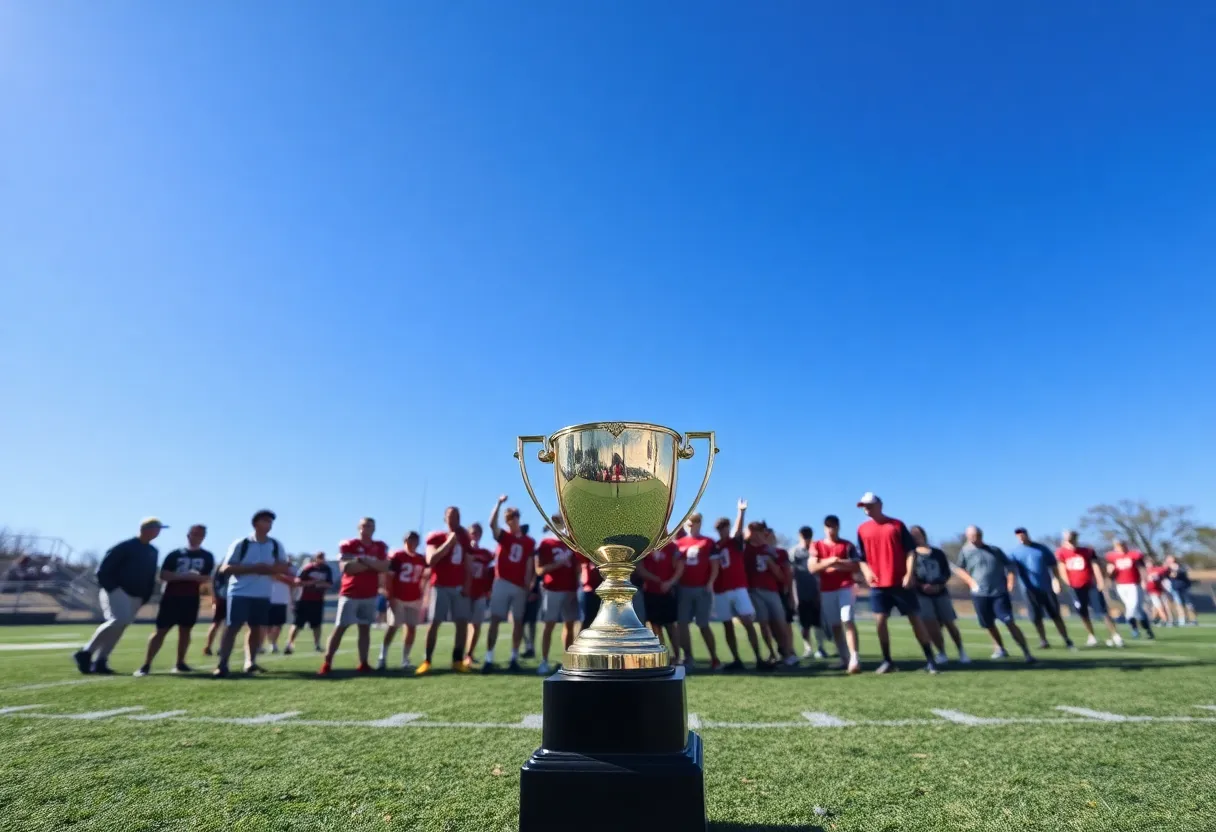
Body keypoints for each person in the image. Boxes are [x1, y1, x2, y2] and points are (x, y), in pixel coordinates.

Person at [855, 493, 939, 674]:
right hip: (878, 585)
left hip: (900, 583)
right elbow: (861, 558)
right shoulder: (862, 529)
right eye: (863, 506)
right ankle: (887, 661)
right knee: (879, 622)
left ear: (880, 505)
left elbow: (911, 552)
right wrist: (867, 572)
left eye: (869, 505)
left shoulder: (897, 525)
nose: (866, 509)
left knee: (915, 620)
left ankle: (930, 661)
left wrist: (909, 573)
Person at [74, 518, 166, 675]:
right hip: (118, 590)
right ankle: (86, 652)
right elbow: (103, 570)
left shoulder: (153, 551)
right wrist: (112, 588)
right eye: (156, 529)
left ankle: (101, 660)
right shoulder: (125, 546)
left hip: (138, 594)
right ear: (146, 529)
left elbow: (150, 575)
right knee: (119, 620)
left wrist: (146, 595)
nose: (158, 532)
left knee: (121, 626)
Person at [214, 510, 290, 677]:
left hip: (263, 594)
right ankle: (222, 664)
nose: (268, 525)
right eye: (265, 521)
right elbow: (225, 568)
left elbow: (284, 567)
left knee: (257, 629)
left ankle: (250, 662)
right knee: (232, 627)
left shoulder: (276, 545)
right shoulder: (242, 543)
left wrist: (268, 569)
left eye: (270, 522)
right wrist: (254, 568)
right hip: (239, 592)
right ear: (255, 523)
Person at [135, 524, 214, 676]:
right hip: (171, 597)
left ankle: (180, 662)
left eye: (200, 535)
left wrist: (187, 577)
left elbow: (206, 577)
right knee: (161, 631)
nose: (197, 537)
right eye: (194, 534)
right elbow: (164, 575)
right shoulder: (175, 554)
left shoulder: (207, 556)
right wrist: (186, 576)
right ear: (188, 535)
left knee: (185, 631)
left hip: (191, 598)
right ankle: (146, 664)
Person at [319, 518, 390, 675]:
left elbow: (385, 566)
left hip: (369, 593)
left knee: (365, 629)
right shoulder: (349, 544)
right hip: (350, 592)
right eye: (364, 525)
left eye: (370, 526)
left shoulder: (379, 546)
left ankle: (363, 662)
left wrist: (362, 561)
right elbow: (348, 568)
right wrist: (372, 564)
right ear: (359, 528)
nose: (367, 528)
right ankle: (327, 662)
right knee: (340, 628)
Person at [955, 526, 1035, 663]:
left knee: (1009, 620)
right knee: (988, 624)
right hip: (980, 594)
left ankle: (1026, 652)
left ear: (981, 535)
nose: (974, 538)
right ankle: (1000, 648)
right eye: (971, 536)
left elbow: (1010, 566)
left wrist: (1010, 582)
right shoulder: (965, 552)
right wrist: (970, 581)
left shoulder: (994, 550)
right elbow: (959, 569)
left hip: (999, 592)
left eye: (977, 535)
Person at [417, 507, 474, 675]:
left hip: (458, 586)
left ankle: (457, 660)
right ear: (444, 518)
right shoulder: (436, 537)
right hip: (440, 585)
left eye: (456, 516)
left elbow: (468, 564)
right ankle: (427, 660)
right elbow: (431, 560)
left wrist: (467, 585)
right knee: (435, 623)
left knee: (462, 623)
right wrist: (448, 543)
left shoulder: (465, 538)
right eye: (450, 516)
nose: (453, 519)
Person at [482, 497, 536, 673]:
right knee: (495, 620)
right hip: (502, 581)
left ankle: (514, 657)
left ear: (518, 518)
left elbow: (529, 565)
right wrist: (498, 504)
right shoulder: (504, 537)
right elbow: (492, 524)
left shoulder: (528, 541)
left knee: (518, 622)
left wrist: (529, 587)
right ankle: (489, 657)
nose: (512, 520)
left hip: (519, 585)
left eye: (514, 517)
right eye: (509, 518)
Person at [810, 515, 866, 672]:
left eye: (833, 526)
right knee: (835, 625)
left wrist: (836, 564)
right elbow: (813, 568)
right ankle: (844, 658)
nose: (831, 530)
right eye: (828, 527)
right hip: (827, 589)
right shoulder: (817, 545)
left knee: (847, 619)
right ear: (824, 528)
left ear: (838, 527)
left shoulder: (847, 545)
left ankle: (855, 657)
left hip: (845, 586)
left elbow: (856, 565)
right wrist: (831, 561)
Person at [908, 524, 968, 665]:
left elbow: (946, 572)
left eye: (918, 534)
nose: (916, 537)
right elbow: (910, 574)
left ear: (924, 535)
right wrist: (921, 585)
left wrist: (939, 585)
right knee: (931, 624)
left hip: (941, 593)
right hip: (922, 594)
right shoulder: (911, 554)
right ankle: (941, 653)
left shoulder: (937, 553)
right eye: (913, 535)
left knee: (949, 622)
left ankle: (961, 651)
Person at [1007, 528, 1074, 649]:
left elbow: (1053, 565)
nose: (1021, 537)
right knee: (1036, 617)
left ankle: (1066, 639)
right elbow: (1011, 570)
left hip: (1046, 587)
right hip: (1029, 589)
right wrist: (1010, 584)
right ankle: (1043, 640)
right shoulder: (1014, 553)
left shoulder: (1041, 549)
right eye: (1018, 535)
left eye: (1023, 534)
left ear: (1027, 534)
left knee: (1055, 614)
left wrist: (1056, 580)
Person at [1056, 530, 1124, 647]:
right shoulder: (1062, 553)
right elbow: (1062, 570)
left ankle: (1115, 635)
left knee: (1103, 611)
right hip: (1075, 587)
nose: (1070, 542)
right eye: (1068, 539)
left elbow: (1095, 566)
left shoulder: (1087, 551)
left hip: (1090, 585)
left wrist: (1100, 581)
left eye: (1072, 539)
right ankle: (1092, 636)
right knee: (1083, 613)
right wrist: (1068, 584)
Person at [744, 523, 799, 668]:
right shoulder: (747, 549)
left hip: (774, 590)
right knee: (764, 623)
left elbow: (784, 576)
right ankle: (773, 653)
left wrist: (771, 564)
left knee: (780, 623)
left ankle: (788, 652)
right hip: (755, 590)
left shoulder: (775, 552)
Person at [674, 515, 722, 671]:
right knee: (682, 624)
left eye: (693, 522)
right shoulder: (679, 543)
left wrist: (710, 583)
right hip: (684, 588)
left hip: (702, 588)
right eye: (688, 522)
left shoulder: (708, 542)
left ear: (700, 523)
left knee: (703, 624)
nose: (690, 525)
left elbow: (715, 565)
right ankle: (688, 656)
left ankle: (714, 657)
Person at [536, 516, 579, 676]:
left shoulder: (571, 543)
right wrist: (557, 564)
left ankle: (567, 660)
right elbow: (539, 570)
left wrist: (577, 586)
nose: (561, 527)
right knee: (549, 625)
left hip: (569, 589)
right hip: (552, 589)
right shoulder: (546, 543)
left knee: (569, 626)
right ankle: (544, 661)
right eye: (558, 523)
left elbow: (576, 568)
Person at [379, 532, 427, 671]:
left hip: (414, 597)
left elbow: (424, 576)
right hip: (398, 597)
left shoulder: (421, 558)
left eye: (416, 540)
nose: (413, 543)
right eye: (411, 540)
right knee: (393, 627)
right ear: (405, 540)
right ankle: (382, 657)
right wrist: (390, 596)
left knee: (411, 628)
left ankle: (405, 659)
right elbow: (389, 577)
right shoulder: (397, 556)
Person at [636, 537, 681, 664]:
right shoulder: (646, 546)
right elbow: (640, 569)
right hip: (651, 591)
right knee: (655, 625)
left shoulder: (671, 546)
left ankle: (678, 657)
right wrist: (657, 580)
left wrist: (669, 583)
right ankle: (664, 656)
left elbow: (679, 566)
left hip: (668, 591)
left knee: (671, 625)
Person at [790, 526, 829, 659]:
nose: (806, 539)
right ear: (799, 535)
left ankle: (820, 647)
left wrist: (821, 590)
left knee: (818, 623)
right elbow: (791, 575)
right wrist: (793, 595)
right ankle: (808, 648)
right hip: (801, 593)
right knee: (803, 624)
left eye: (809, 536)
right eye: (804, 536)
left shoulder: (816, 550)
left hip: (816, 592)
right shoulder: (794, 552)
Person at [1104, 540, 1155, 640]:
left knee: (1132, 607)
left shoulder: (1133, 555)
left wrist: (1144, 580)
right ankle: (1146, 630)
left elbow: (1142, 568)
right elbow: (1110, 574)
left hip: (1134, 584)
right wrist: (1110, 573)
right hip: (1121, 585)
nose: (1120, 548)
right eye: (1117, 546)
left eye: (1121, 545)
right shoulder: (1112, 557)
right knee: (1137, 610)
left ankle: (1134, 628)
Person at [285, 552, 333, 654]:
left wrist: (320, 584)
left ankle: (317, 645)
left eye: (323, 558)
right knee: (297, 623)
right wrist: (311, 583)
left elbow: (329, 584)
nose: (321, 560)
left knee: (317, 624)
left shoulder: (326, 569)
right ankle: (289, 644)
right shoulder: (308, 568)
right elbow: (297, 581)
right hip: (303, 599)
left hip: (318, 600)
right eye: (320, 558)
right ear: (315, 558)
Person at [463, 523, 495, 667]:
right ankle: (460, 655)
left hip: (480, 592)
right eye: (472, 532)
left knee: (476, 625)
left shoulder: (486, 554)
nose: (475, 535)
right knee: (463, 625)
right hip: (465, 592)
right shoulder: (464, 550)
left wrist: (488, 590)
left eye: (477, 532)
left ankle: (469, 653)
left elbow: (490, 572)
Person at [266, 554, 297, 654]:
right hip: (269, 599)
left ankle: (273, 643)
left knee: (279, 624)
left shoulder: (292, 570)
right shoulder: (271, 568)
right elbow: (273, 576)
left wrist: (283, 578)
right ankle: (269, 643)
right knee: (268, 624)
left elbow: (294, 582)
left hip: (282, 600)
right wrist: (285, 578)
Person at [202, 563, 228, 657]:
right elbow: (213, 582)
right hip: (224, 597)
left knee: (225, 624)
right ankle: (210, 647)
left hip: (227, 597)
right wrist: (214, 597)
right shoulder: (224, 564)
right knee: (218, 623)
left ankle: (220, 647)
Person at [1164, 555, 1197, 625]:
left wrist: (1176, 570)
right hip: (1175, 588)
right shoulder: (1167, 568)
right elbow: (1167, 575)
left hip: (1184, 588)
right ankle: (1183, 619)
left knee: (1189, 604)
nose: (1169, 561)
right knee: (1179, 604)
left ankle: (1193, 619)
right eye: (1168, 559)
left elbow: (1179, 573)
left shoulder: (1180, 566)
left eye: (1170, 559)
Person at [1144, 559, 1173, 627]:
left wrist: (1168, 564)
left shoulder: (1157, 569)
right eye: (1147, 563)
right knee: (1159, 607)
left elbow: (1166, 569)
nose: (1149, 565)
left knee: (1161, 607)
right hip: (1151, 592)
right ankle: (1165, 620)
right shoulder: (1144, 571)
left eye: (1150, 563)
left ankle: (1157, 620)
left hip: (1160, 591)